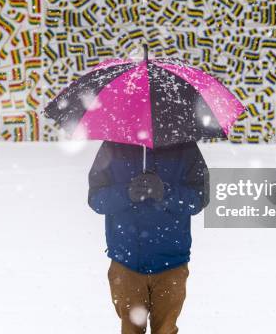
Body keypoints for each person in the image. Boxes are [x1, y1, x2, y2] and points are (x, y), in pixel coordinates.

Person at [88, 140, 209, 334]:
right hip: (126, 263)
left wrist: (166, 192)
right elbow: (96, 199)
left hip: (171, 263)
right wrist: (126, 193)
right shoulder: (113, 146)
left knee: (166, 330)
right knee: (131, 329)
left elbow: (200, 197)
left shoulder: (184, 146)